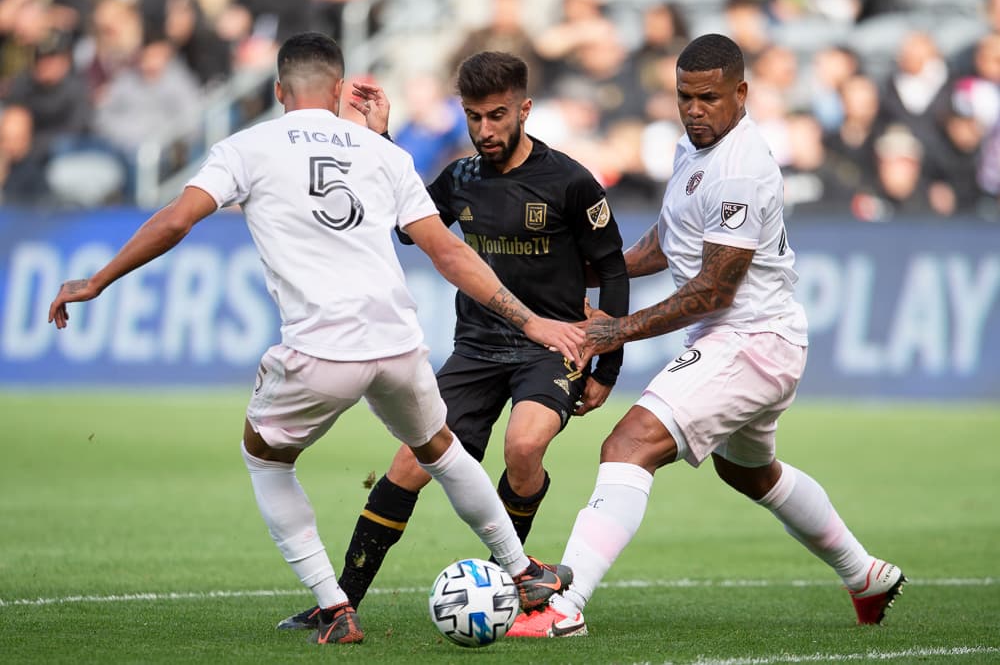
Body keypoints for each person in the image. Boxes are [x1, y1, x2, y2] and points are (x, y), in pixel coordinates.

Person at [47, 32, 579, 646]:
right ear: (337, 91)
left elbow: (176, 219)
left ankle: (334, 606)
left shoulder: (245, 147)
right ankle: (523, 570)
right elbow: (447, 252)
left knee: (264, 457)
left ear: (277, 91)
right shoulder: (386, 154)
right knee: (441, 449)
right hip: (398, 344)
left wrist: (99, 280)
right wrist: (531, 320)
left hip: (322, 348)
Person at [506, 33, 906, 639]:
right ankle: (866, 575)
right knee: (748, 471)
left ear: (741, 93)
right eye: (684, 97)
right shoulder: (692, 149)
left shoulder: (741, 170)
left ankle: (566, 606)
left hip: (749, 337)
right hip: (756, 338)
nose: (694, 109)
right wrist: (584, 271)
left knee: (628, 445)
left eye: (709, 98)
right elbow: (667, 242)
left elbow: (712, 291)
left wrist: (612, 332)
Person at [276, 50, 630, 631]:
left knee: (523, 448)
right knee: (407, 467)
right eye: (473, 117)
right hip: (475, 350)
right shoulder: (460, 178)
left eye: (496, 116)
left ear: (524, 109)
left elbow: (612, 271)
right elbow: (407, 224)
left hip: (550, 349)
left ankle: (510, 583)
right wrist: (384, 137)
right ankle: (339, 603)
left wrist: (605, 368)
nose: (485, 130)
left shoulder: (570, 181)